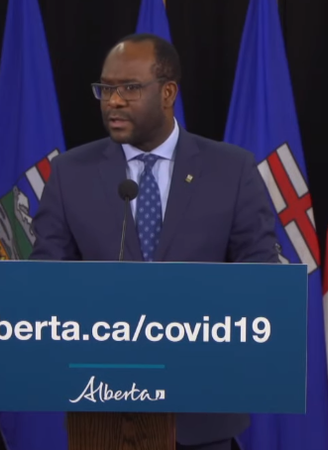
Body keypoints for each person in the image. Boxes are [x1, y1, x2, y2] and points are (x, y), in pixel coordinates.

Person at [30, 33, 279, 450]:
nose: (113, 101)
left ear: (167, 93)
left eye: (129, 88)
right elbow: (46, 277)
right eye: (105, 89)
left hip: (202, 409)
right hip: (103, 411)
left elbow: (260, 274)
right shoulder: (71, 172)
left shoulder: (231, 169)